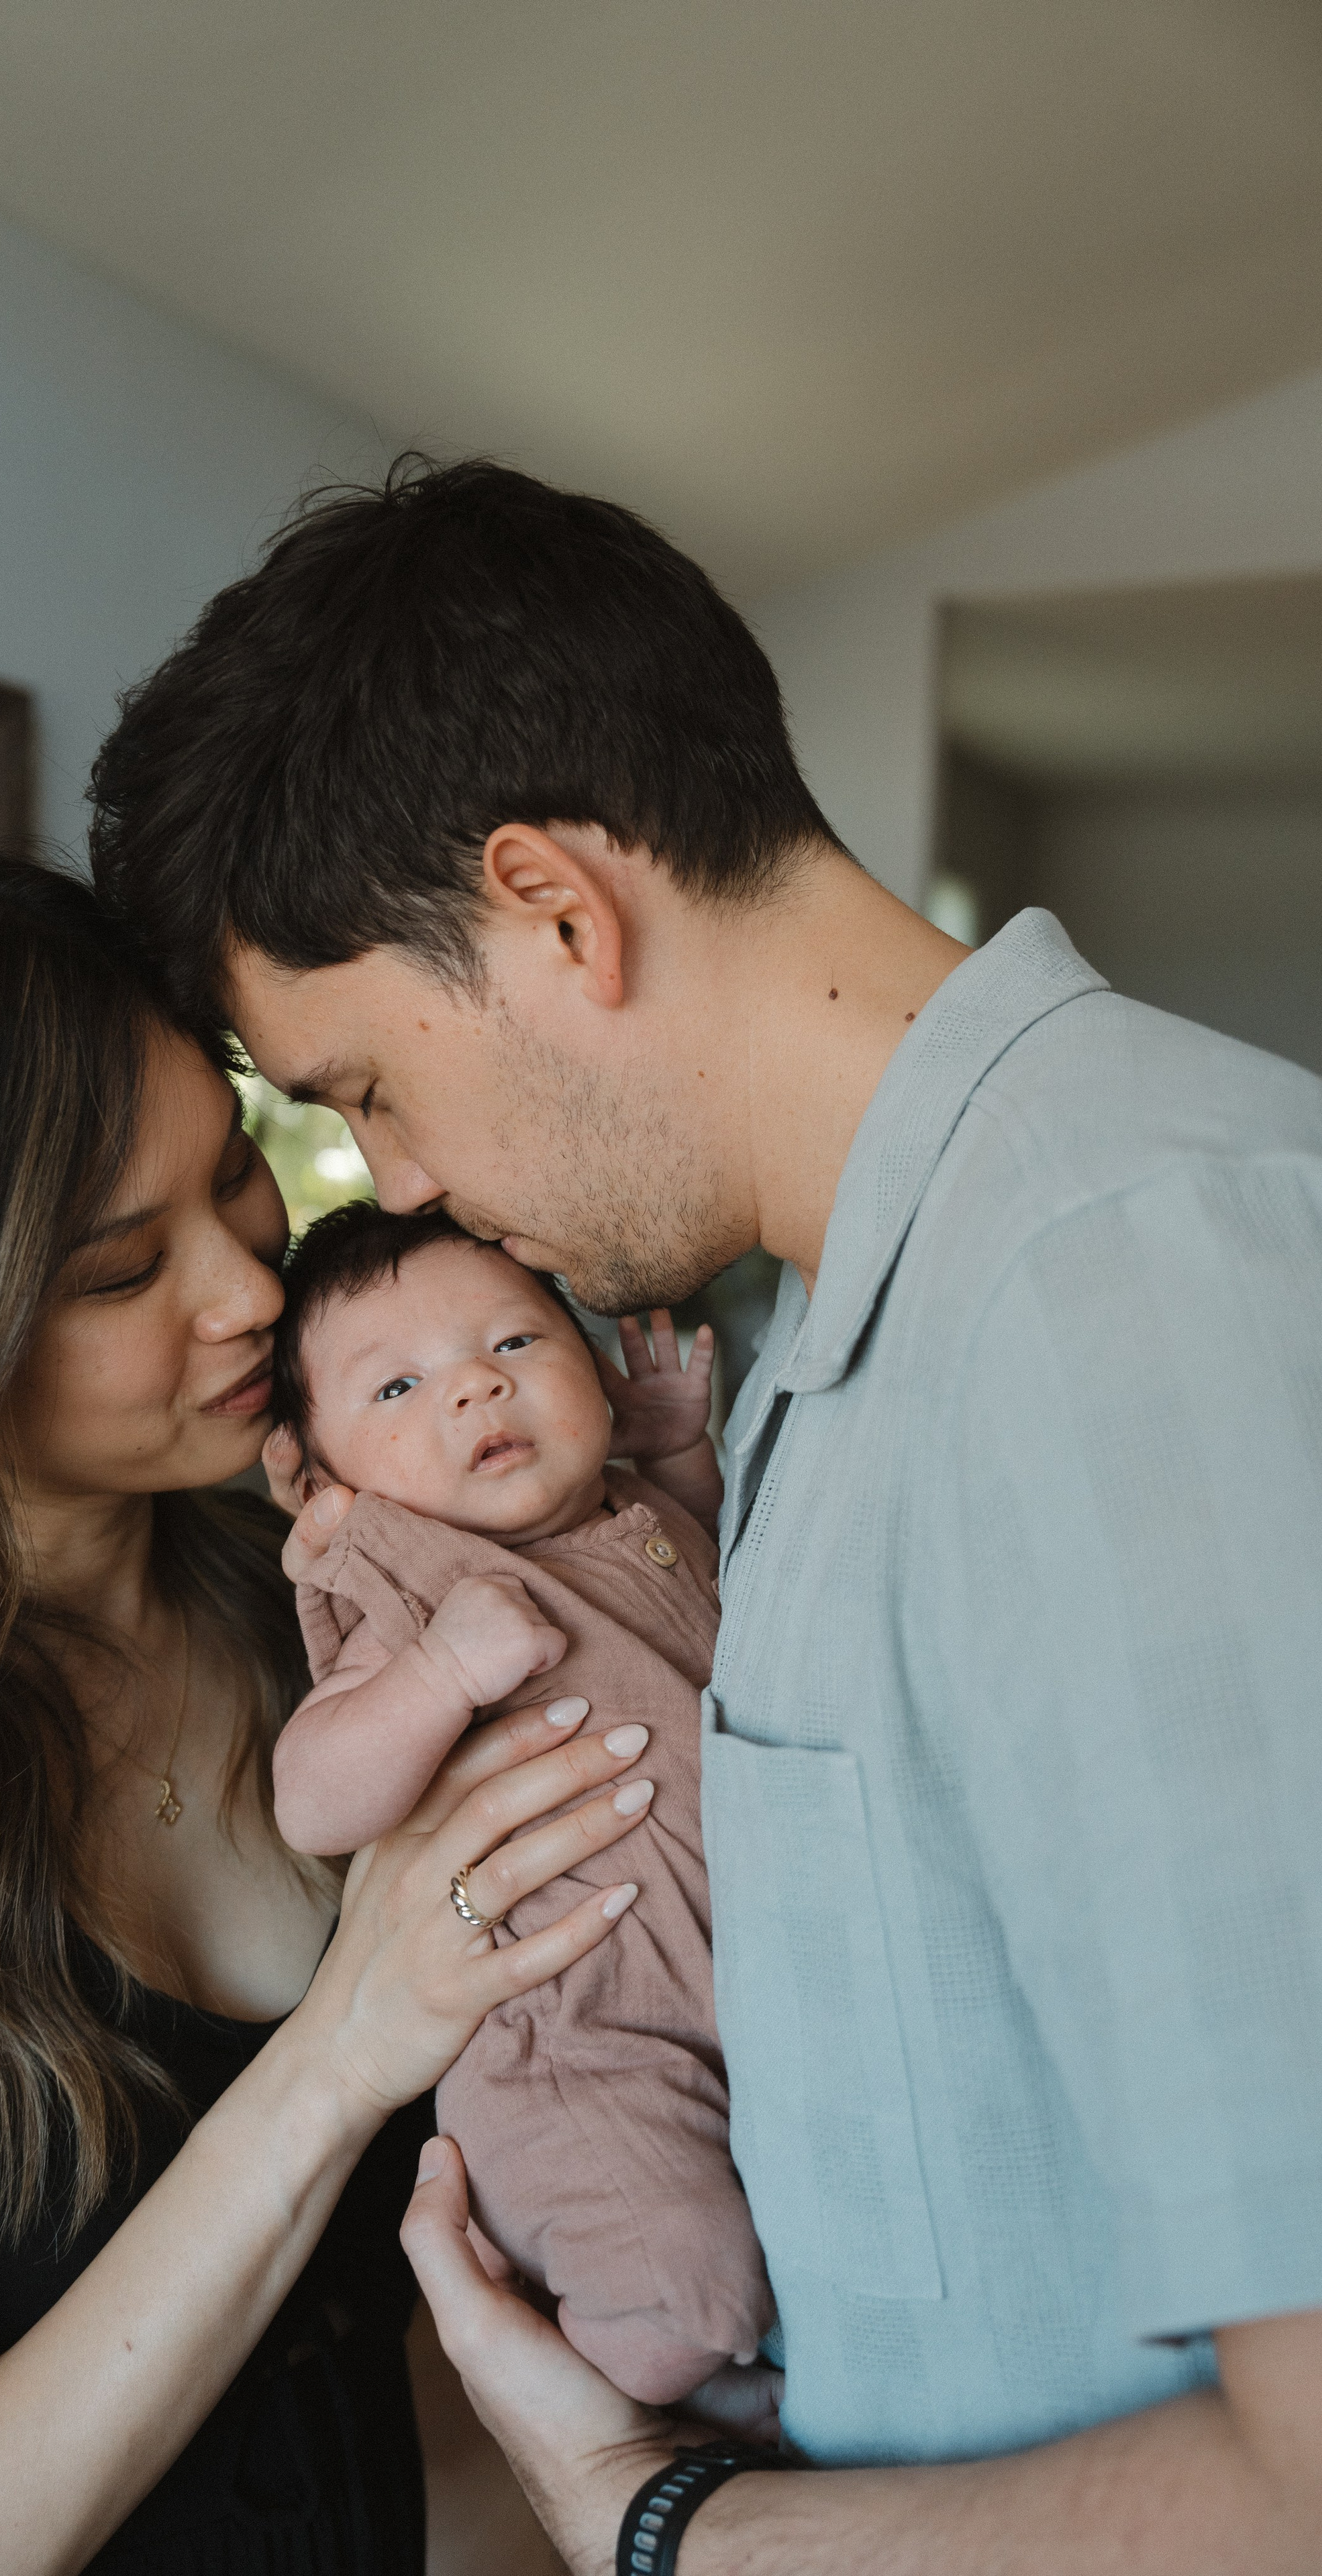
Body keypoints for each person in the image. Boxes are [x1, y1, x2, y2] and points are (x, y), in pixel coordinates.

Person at [89, 459, 1322, 2573]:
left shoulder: (1128, 1279)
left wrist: (670, 2529)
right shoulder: (826, 1346)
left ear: (556, 913)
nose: (386, 1189)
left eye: (367, 1085)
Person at [0, 843, 658, 2576]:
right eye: (117, 1272)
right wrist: (339, 2057)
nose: (253, 1290)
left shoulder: (299, 1602)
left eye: (237, 1172)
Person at [266, 1201, 772, 2407]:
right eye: (397, 1389)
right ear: (322, 1482)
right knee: (678, 2293)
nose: (476, 1394)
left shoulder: (636, 1515)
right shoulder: (408, 1592)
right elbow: (312, 1799)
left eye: (514, 1347)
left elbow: (695, 1591)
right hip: (581, 2046)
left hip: (737, 1993)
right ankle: (629, 2381)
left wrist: (674, 1454)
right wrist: (439, 1677)